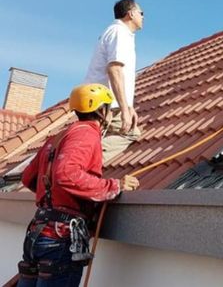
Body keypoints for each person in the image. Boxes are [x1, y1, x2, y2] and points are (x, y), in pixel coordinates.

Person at [16, 83, 140, 287]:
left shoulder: (57, 138)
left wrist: (54, 198)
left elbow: (28, 178)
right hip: (59, 240)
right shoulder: (87, 134)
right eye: (109, 108)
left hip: (38, 235)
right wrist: (114, 186)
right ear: (102, 110)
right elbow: (66, 174)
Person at [84, 0, 144, 163]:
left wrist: (129, 106)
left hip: (97, 101)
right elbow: (114, 69)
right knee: (130, 132)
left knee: (94, 138)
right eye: (141, 13)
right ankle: (80, 167)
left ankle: (77, 164)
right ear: (130, 14)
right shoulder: (120, 33)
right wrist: (125, 109)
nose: (143, 17)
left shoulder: (115, 32)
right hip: (104, 103)